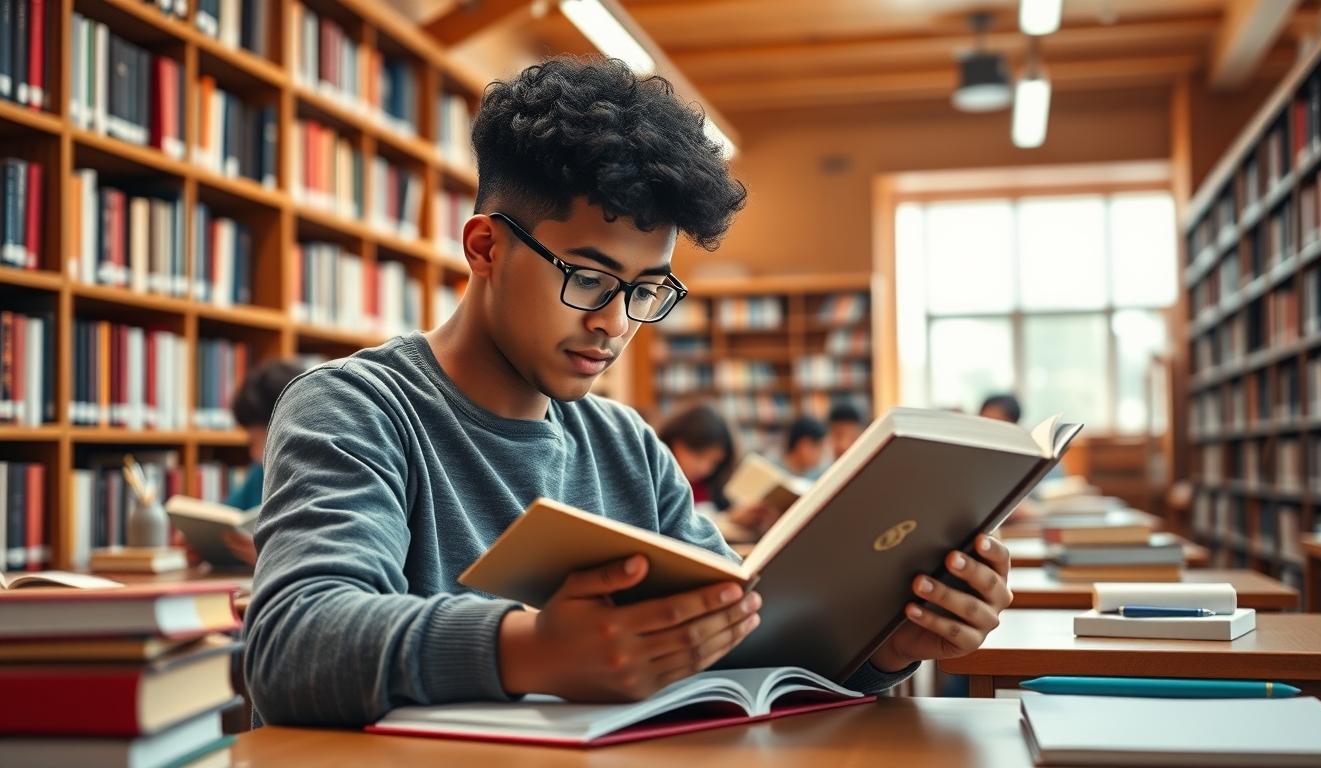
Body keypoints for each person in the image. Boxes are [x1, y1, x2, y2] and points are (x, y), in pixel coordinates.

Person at [244, 57, 1013, 727]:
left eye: (646, 291)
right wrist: (531, 651)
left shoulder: (627, 448)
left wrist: (888, 647)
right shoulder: (356, 410)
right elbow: (290, 647)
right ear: (486, 247)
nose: (614, 323)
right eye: (588, 278)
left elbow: (742, 655)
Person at [174, 358, 308, 568]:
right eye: (250, 442)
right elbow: (227, 519)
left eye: (258, 441)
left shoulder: (324, 474)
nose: (255, 454)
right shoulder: (260, 472)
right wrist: (200, 543)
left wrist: (275, 559)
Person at [657, 403, 781, 541]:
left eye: (714, 462)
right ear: (675, 442)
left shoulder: (713, 485)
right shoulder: (658, 482)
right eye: (698, 456)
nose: (705, 468)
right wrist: (729, 519)